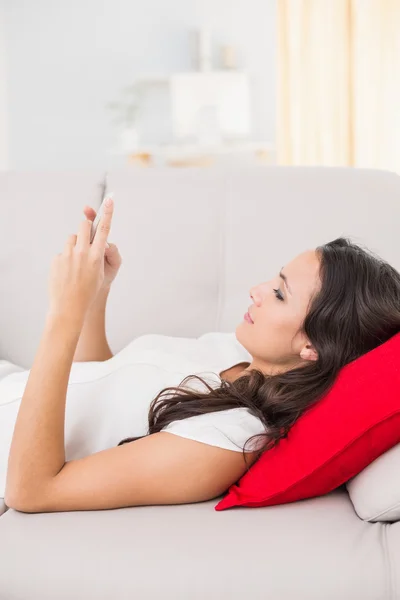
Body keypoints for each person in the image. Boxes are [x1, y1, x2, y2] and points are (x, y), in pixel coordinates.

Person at [3, 200, 400, 514]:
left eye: (279, 294)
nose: (256, 290)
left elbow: (32, 490)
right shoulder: (236, 351)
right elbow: (97, 383)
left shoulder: (227, 437)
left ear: (312, 346)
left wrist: (64, 313)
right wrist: (94, 299)